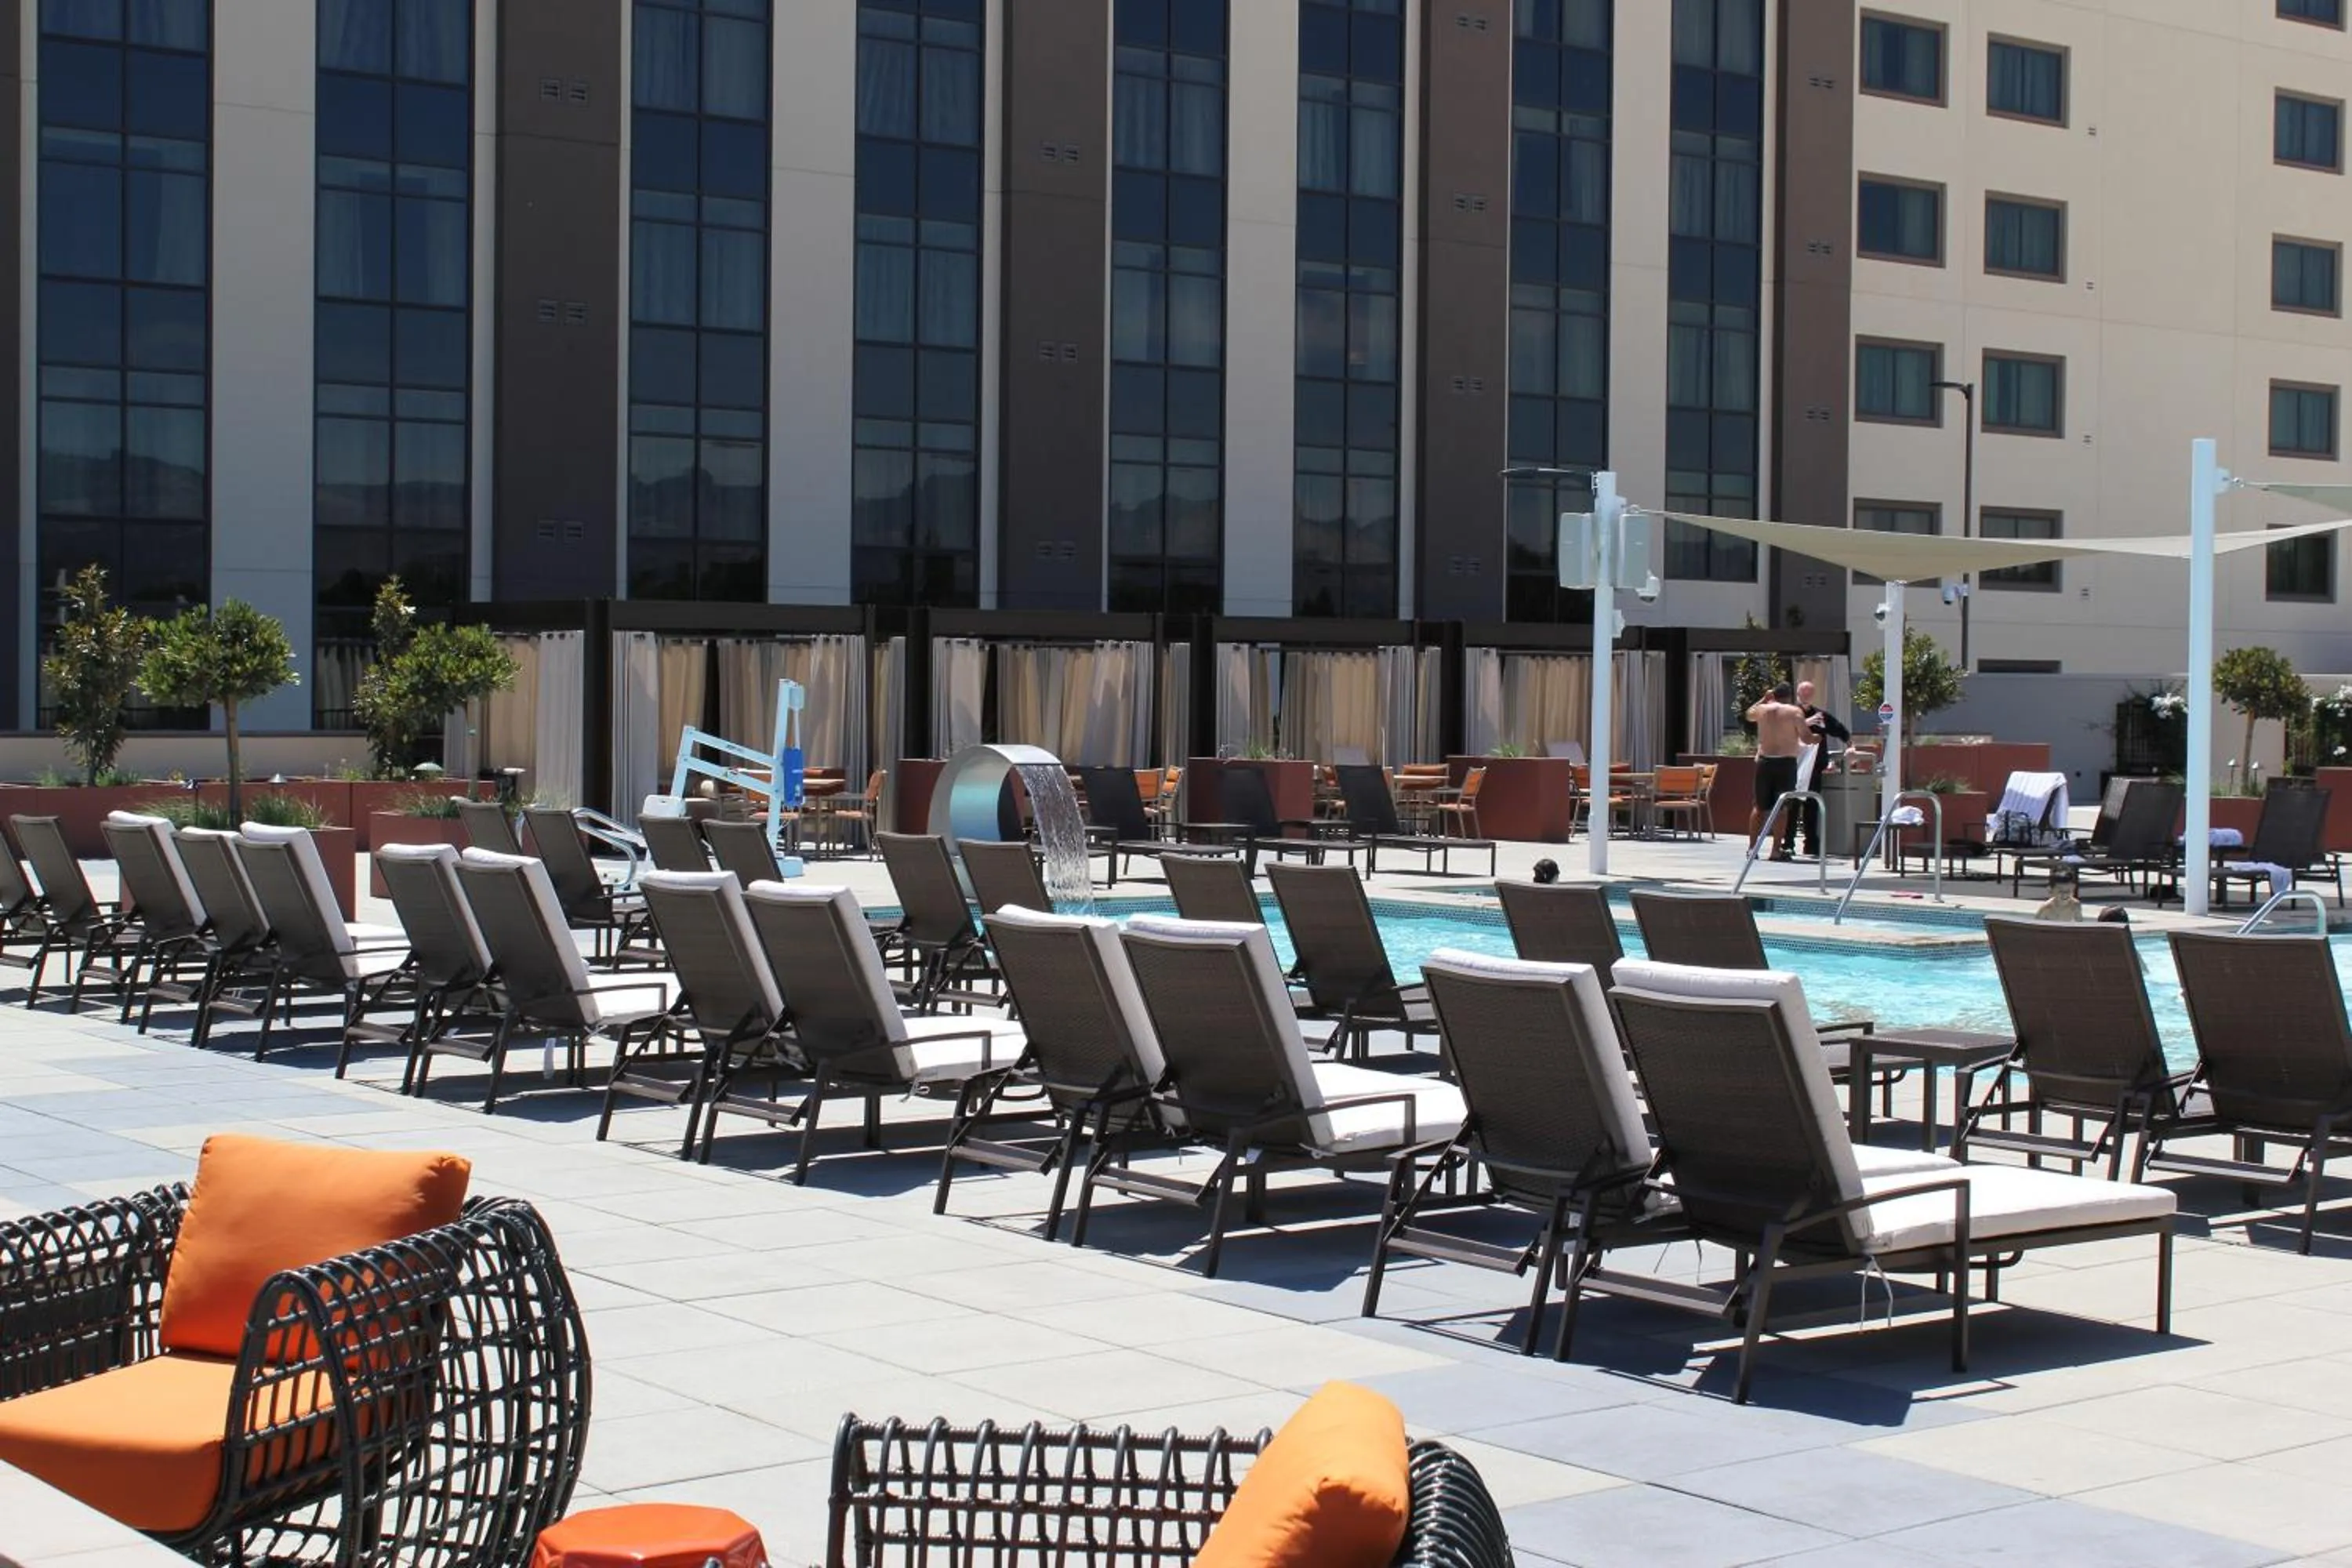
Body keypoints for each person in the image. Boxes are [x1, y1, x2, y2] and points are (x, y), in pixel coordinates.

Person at [1784, 680, 1851, 860]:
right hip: (1794, 765)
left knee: (1812, 805)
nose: (1805, 696)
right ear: (1797, 694)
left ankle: (1811, 843)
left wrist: (1850, 744)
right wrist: (1805, 722)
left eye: (1808, 693)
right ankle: (1788, 843)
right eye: (1802, 693)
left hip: (1814, 767)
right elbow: (1784, 731)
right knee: (1792, 804)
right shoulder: (1791, 713)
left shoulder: (1820, 715)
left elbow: (1839, 730)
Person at [1744, 682, 1806, 859]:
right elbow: (1805, 736)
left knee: (1758, 806)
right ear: (1789, 696)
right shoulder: (1794, 712)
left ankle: (1752, 848)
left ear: (1774, 695)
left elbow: (1749, 714)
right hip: (1786, 763)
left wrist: (1764, 698)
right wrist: (1815, 738)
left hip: (1764, 762)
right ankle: (1775, 850)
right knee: (1782, 808)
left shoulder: (1763, 710)